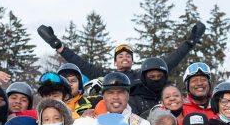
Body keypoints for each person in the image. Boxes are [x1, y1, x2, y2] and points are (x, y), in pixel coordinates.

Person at [38, 23, 204, 84]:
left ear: (132, 61)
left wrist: (189, 43)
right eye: (120, 56)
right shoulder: (105, 76)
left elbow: (167, 63)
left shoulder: (141, 76)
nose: (125, 57)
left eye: (128, 56)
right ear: (115, 62)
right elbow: (81, 64)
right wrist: (58, 46)